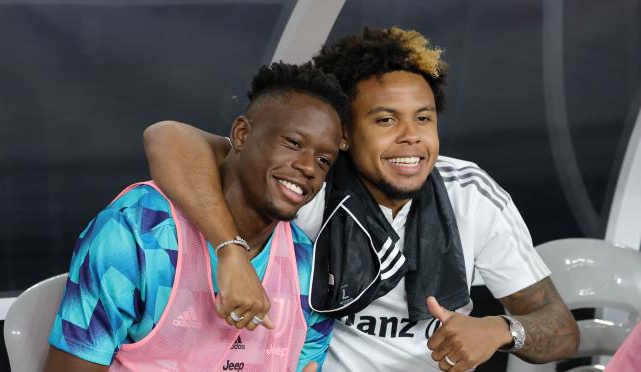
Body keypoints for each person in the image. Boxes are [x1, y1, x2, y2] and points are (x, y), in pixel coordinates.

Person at [143, 27, 580, 371]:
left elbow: (561, 329)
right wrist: (231, 251)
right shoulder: (307, 177)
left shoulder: (470, 192)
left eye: (423, 119)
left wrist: (500, 330)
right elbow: (168, 138)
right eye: (386, 119)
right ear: (346, 134)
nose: (411, 137)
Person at [44, 62, 347, 372]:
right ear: (242, 134)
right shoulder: (139, 233)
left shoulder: (307, 270)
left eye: (324, 160)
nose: (309, 167)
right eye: (293, 143)